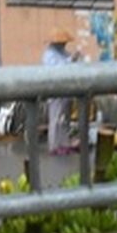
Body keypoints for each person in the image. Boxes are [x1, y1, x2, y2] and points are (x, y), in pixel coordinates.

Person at [42, 27, 78, 156]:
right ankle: (54, 145)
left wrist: (73, 59)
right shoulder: (49, 55)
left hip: (66, 89)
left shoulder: (63, 52)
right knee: (56, 119)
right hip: (55, 90)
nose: (64, 45)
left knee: (64, 119)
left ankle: (64, 143)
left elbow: (69, 63)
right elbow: (57, 69)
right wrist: (70, 60)